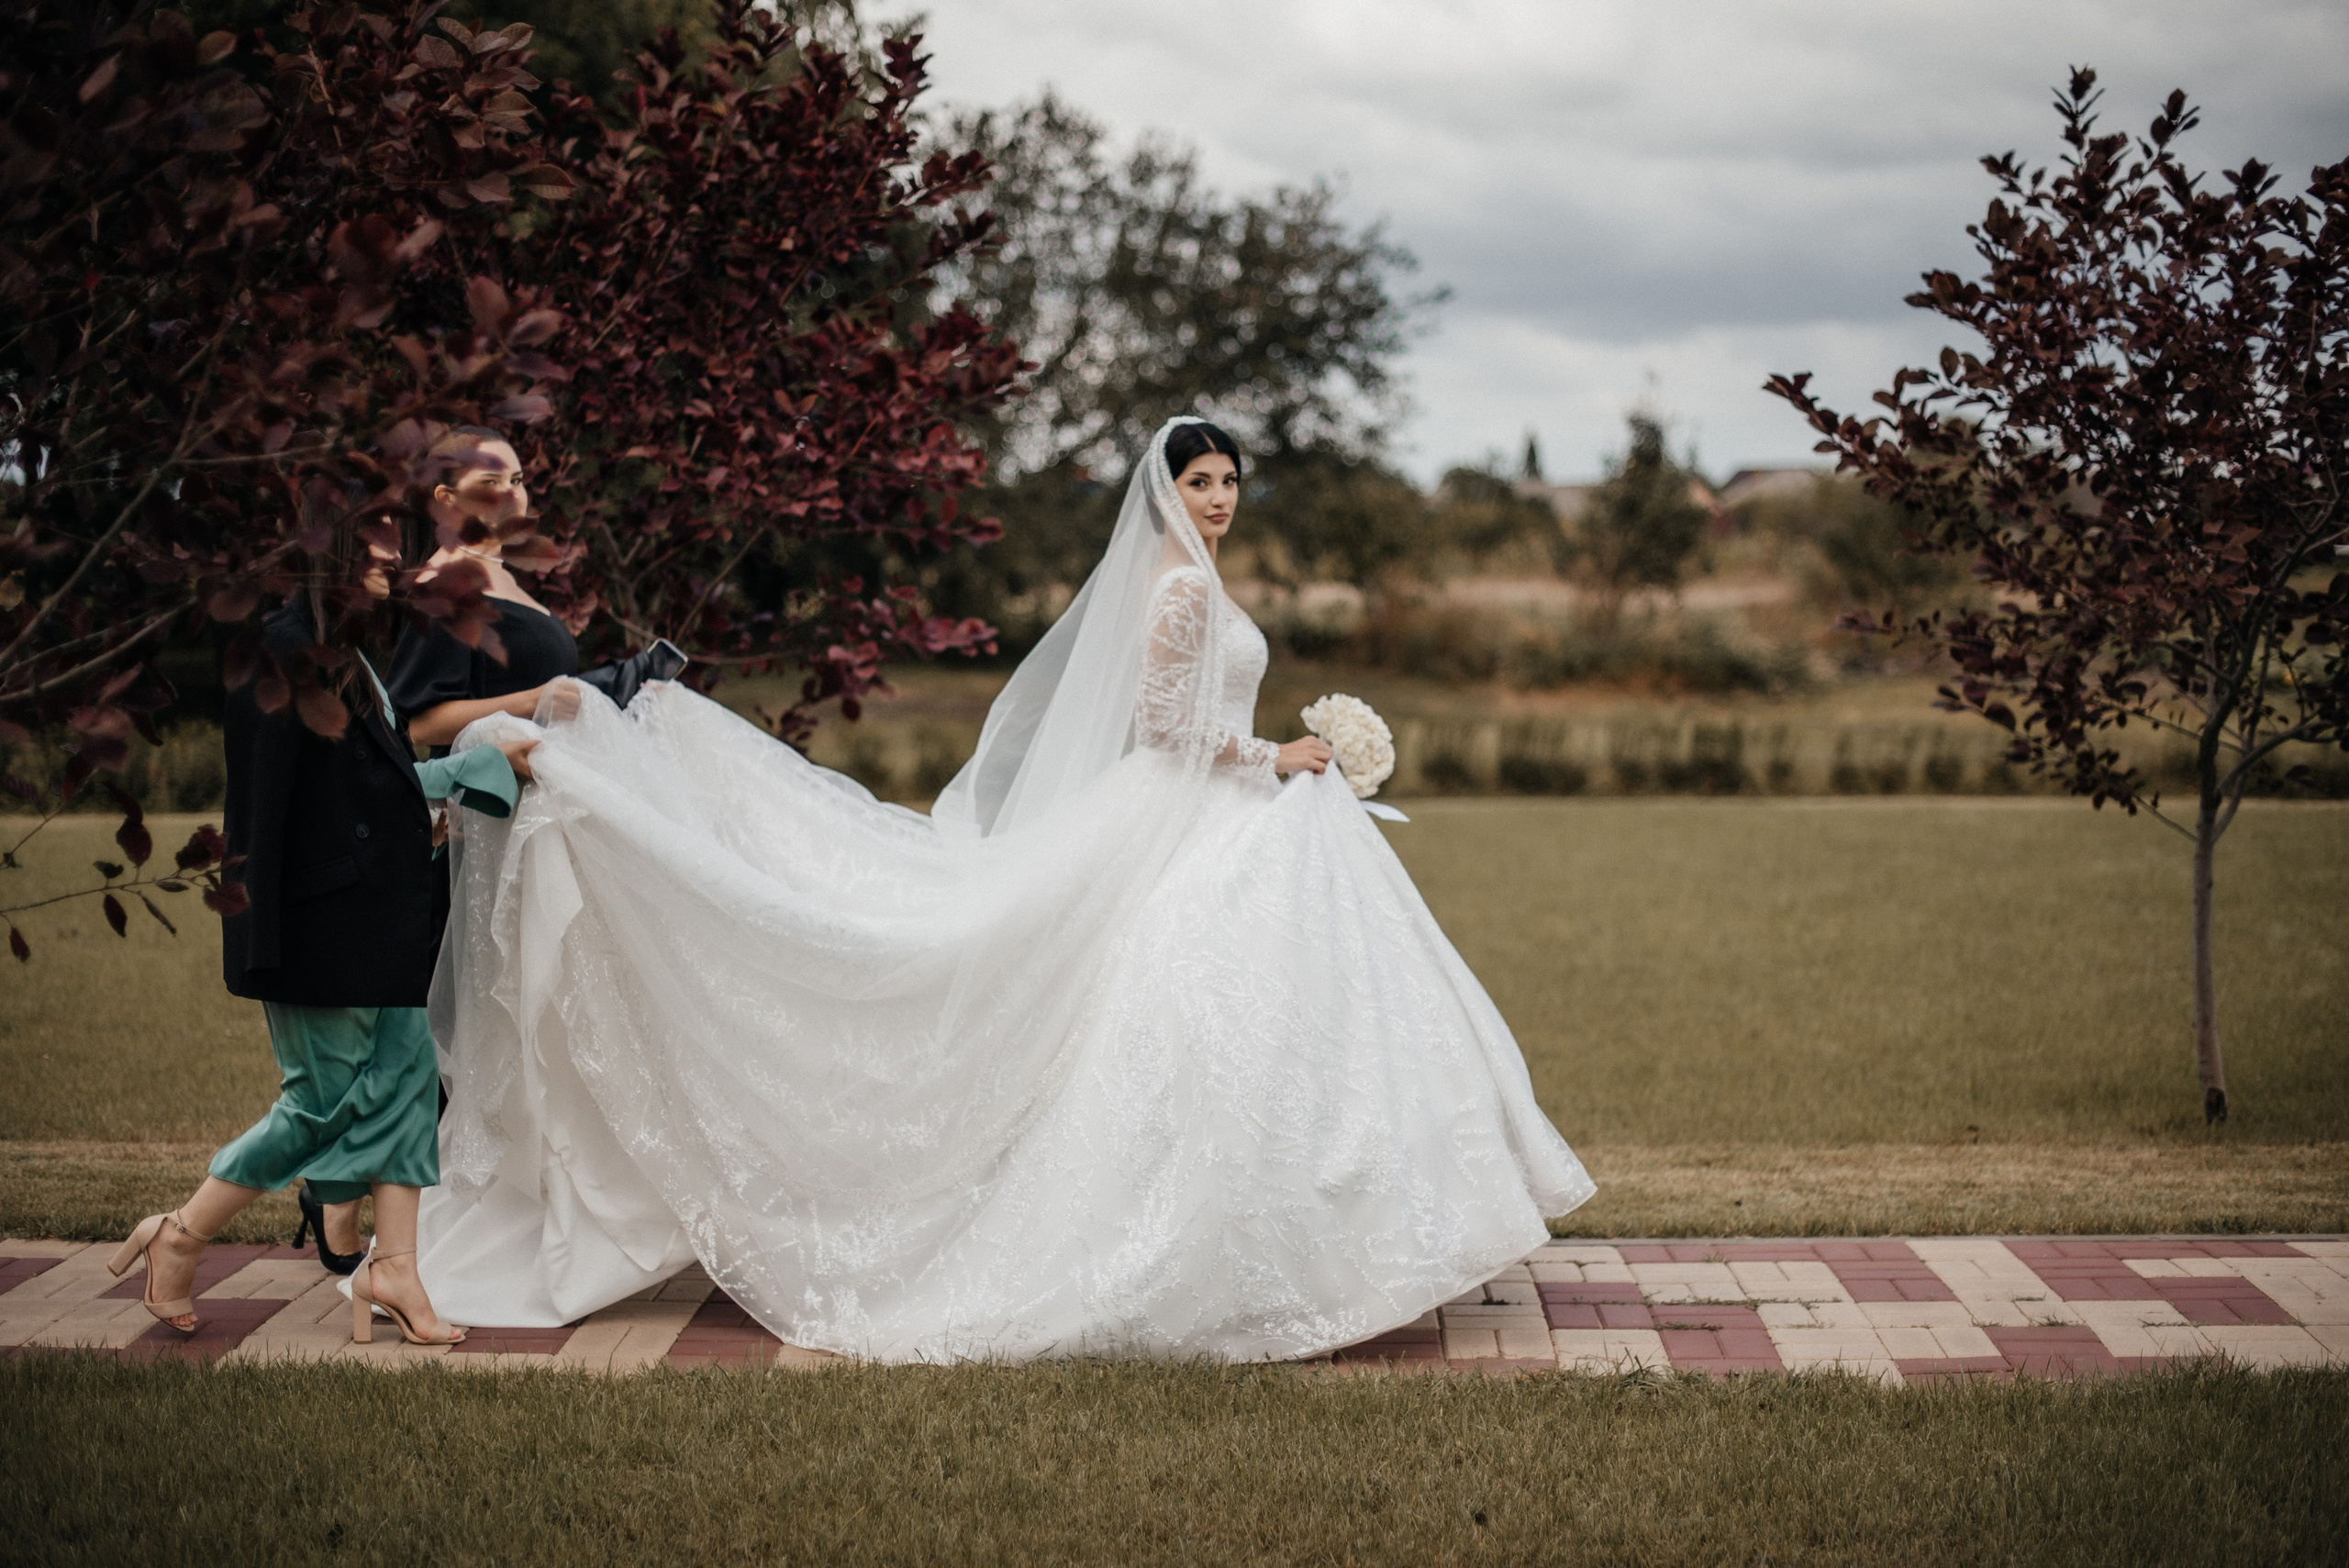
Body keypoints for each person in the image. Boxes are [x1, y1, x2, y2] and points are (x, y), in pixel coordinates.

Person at [417, 416, 1595, 1361]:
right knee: (1204, 1013)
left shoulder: (1199, 580)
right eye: (1200, 481)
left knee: (1269, 1014)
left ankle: (1331, 1238)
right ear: (1165, 494)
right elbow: (1164, 725)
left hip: (1221, 810)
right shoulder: (1180, 591)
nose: (1221, 498)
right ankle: (1291, 1244)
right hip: (1195, 805)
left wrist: (1278, 757)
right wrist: (1273, 755)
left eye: (1231, 479)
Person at [111, 536, 541, 1345]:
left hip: (379, 918)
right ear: (326, 547)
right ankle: (181, 1233)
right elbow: (266, 812)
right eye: (374, 544)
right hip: (317, 927)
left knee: (410, 1086)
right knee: (319, 1107)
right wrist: (262, 939)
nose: (394, 562)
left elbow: (369, 788)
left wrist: (473, 770)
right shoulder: (276, 654)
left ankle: (396, 1270)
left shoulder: (347, 654)